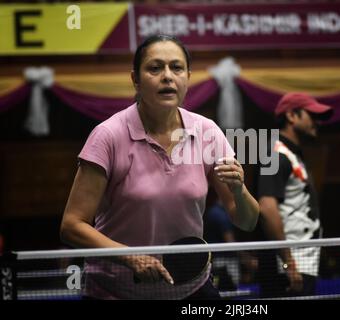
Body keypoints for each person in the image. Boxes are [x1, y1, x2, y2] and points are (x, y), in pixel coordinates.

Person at [60, 35, 259, 300]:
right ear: (136, 80)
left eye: (176, 68)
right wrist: (130, 257)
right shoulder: (108, 135)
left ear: (188, 76)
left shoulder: (207, 132)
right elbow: (72, 226)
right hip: (116, 291)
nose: (167, 76)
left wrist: (239, 191)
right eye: (155, 68)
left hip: (190, 289)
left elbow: (247, 221)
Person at [255, 92, 333, 297]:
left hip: (301, 263)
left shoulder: (291, 154)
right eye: (312, 115)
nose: (317, 122)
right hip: (288, 268)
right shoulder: (275, 154)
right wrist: (289, 262)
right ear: (291, 116)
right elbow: (267, 208)